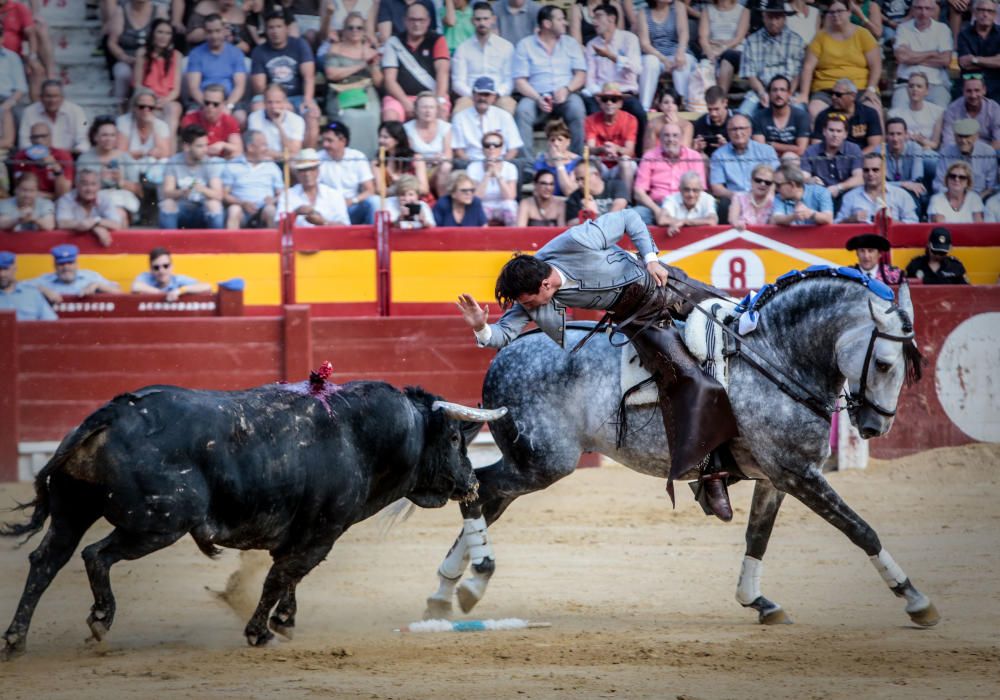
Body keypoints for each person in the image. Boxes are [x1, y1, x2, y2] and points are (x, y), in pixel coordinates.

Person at [455, 208, 740, 521]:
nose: (527, 310)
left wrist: (651, 258)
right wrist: (481, 327)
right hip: (642, 322)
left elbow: (630, 217)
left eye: (528, 302)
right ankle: (711, 474)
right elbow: (503, 334)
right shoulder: (534, 295)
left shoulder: (577, 240)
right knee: (685, 377)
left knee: (738, 319)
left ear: (546, 285)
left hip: (665, 283)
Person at [512, 5, 588, 159]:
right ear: (547, 24)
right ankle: (527, 166)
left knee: (577, 107)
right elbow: (520, 81)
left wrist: (567, 89)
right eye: (560, 19)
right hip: (535, 96)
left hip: (565, 95)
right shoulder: (525, 45)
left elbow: (581, 74)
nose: (565, 23)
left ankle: (576, 161)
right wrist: (537, 98)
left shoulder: (570, 43)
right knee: (522, 110)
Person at [796, 0, 881, 120]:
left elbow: (876, 66)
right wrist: (804, 94)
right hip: (827, 89)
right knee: (814, 109)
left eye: (840, 11)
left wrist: (871, 89)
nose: (835, 15)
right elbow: (808, 67)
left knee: (874, 109)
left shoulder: (863, 34)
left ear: (849, 12)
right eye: (832, 12)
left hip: (859, 88)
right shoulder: (820, 37)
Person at [250, 9, 318, 148]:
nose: (275, 31)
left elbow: (309, 77)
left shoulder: (300, 45)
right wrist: (279, 102)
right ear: (266, 30)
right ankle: (264, 152)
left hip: (298, 95)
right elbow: (260, 87)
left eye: (279, 27)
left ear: (287, 28)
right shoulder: (259, 51)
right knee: (257, 106)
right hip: (270, 98)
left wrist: (308, 99)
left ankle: (305, 159)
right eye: (271, 27)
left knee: (312, 115)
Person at [322, 10, 382, 159]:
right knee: (348, 117)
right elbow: (331, 74)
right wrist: (361, 65)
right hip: (341, 91)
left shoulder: (370, 51)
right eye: (351, 27)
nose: (355, 31)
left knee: (372, 116)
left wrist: (373, 65)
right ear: (344, 29)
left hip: (366, 91)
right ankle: (346, 159)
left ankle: (370, 160)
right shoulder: (335, 48)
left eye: (359, 27)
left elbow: (379, 82)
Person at [584, 3, 645, 147]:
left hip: (625, 93)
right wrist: (599, 96)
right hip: (601, 95)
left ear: (611, 19)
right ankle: (595, 158)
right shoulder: (591, 45)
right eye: (593, 18)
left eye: (598, 17)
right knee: (591, 111)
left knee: (639, 112)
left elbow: (637, 69)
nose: (594, 22)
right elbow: (590, 79)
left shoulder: (629, 39)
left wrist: (612, 56)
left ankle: (639, 156)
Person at [380, 3, 450, 122]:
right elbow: (389, 80)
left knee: (441, 116)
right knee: (390, 118)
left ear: (428, 21)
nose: (417, 24)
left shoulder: (438, 40)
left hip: (432, 95)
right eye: (412, 20)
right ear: (405, 21)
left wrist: (437, 101)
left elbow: (442, 74)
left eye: (421, 20)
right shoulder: (393, 42)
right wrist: (406, 103)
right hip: (401, 97)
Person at [737, 0, 805, 117]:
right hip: (761, 90)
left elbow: (797, 75)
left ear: (784, 18)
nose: (773, 22)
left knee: (801, 114)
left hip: (788, 92)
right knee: (742, 114)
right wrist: (762, 93)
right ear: (764, 17)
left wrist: (788, 93)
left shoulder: (796, 41)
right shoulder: (752, 41)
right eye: (770, 17)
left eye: (777, 18)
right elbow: (750, 74)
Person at [709, 113, 780, 218]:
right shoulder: (719, 155)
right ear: (728, 132)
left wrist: (768, 195)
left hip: (764, 195)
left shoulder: (766, 151)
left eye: (742, 128)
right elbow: (716, 187)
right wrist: (739, 197)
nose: (738, 133)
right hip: (734, 199)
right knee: (724, 205)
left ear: (750, 130)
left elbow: (777, 178)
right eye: (734, 129)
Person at [633, 121, 705, 225]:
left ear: (681, 138)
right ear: (660, 139)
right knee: (633, 216)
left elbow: (700, 189)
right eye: (666, 135)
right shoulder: (649, 156)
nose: (671, 139)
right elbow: (638, 192)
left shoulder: (694, 157)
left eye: (675, 136)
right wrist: (657, 210)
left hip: (684, 204)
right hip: (656, 205)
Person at [451, 2, 516, 115]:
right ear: (472, 21)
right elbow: (458, 82)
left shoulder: (506, 47)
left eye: (486, 19)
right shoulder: (462, 48)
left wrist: (496, 94)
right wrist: (474, 95)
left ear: (493, 19)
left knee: (507, 107)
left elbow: (510, 80)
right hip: (470, 96)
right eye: (478, 19)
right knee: (459, 111)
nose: (482, 23)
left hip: (498, 96)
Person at [76, 116, 143, 223]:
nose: (109, 139)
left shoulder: (125, 157)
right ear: (95, 137)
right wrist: (98, 180)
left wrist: (121, 182)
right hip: (92, 201)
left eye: (112, 135)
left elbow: (139, 190)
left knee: (120, 214)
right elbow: (79, 188)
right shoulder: (85, 158)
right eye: (104, 135)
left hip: (121, 200)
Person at [159, 124, 225, 230]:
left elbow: (218, 195)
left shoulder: (210, 163)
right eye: (200, 146)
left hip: (202, 210)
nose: (205, 150)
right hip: (181, 209)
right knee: (168, 204)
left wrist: (202, 189)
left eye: (206, 145)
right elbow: (166, 192)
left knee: (214, 205)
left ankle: (216, 244)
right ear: (187, 147)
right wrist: (182, 192)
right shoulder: (174, 162)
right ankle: (169, 244)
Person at [183, 13, 249, 118]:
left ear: (224, 30)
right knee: (190, 117)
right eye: (209, 32)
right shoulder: (196, 54)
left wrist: (228, 106)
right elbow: (194, 88)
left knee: (240, 118)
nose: (214, 36)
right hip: (203, 99)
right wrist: (208, 106)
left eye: (218, 31)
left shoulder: (236, 53)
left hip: (229, 99)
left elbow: (239, 86)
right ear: (204, 32)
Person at [890, 0, 952, 110]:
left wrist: (911, 56)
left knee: (941, 116)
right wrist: (931, 53)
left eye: (927, 8)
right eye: (919, 8)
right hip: (907, 83)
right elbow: (901, 57)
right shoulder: (903, 28)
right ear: (912, 10)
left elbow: (945, 60)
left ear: (933, 11)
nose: (923, 13)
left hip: (936, 84)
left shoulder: (943, 29)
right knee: (896, 116)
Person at [451, 76, 523, 165]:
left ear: (494, 97)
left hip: (500, 163)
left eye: (487, 95)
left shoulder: (504, 116)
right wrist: (474, 167)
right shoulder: (460, 117)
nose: (483, 98)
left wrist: (501, 165)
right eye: (480, 94)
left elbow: (513, 148)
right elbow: (458, 150)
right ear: (473, 95)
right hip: (470, 163)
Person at [636, 0, 694, 111]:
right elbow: (644, 44)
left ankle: (683, 106)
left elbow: (683, 33)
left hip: (677, 52)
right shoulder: (643, 13)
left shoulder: (678, 7)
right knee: (649, 62)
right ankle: (645, 108)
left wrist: (680, 52)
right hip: (655, 54)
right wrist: (663, 59)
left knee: (682, 63)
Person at [318, 121, 379, 225]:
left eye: (329, 141)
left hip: (351, 207)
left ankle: (374, 239)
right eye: (323, 140)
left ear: (343, 141)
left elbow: (370, 190)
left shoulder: (357, 157)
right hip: (327, 210)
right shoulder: (317, 158)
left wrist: (352, 201)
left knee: (375, 201)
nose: (325, 144)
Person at [107, 0, 166, 103]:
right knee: (122, 73)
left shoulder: (159, 11)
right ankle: (121, 107)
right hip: (128, 59)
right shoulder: (121, 11)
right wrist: (124, 57)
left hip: (152, 59)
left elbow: (166, 37)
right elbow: (112, 42)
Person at [222, 129, 282, 229]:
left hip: (264, 210)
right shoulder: (232, 165)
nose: (266, 149)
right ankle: (231, 244)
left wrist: (274, 200)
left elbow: (281, 193)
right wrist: (242, 203)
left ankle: (273, 244)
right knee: (234, 210)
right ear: (250, 147)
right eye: (263, 145)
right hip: (242, 210)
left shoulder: (272, 166)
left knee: (271, 210)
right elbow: (224, 195)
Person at [835, 153, 919, 224]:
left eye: (875, 170)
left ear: (884, 171)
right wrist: (850, 220)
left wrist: (892, 222)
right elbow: (836, 226)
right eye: (866, 170)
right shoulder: (850, 197)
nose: (870, 174)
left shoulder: (901, 195)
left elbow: (914, 226)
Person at [133, 18, 182, 137]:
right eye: (160, 32)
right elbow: (137, 84)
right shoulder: (142, 53)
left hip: (167, 98)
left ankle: (168, 147)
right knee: (146, 108)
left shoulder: (176, 55)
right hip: (146, 97)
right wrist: (151, 100)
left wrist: (164, 100)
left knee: (174, 108)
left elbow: (176, 89)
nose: (164, 36)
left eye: (168, 33)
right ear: (153, 34)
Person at [25, 243, 121, 304]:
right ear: (55, 265)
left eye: (70, 263)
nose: (66, 267)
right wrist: (42, 289)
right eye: (61, 264)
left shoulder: (90, 277)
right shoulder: (46, 280)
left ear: (76, 264)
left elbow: (120, 293)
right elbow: (18, 286)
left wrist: (99, 286)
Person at [802, 113, 863, 206]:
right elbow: (803, 177)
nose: (835, 134)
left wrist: (838, 187)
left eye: (839, 131)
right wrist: (810, 180)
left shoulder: (853, 149)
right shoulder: (811, 151)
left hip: (847, 194)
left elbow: (859, 178)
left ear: (845, 134)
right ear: (824, 131)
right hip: (819, 196)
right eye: (831, 130)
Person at [16, 80, 89, 155]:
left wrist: (64, 155)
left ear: (62, 97)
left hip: (69, 157)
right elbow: (24, 144)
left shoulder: (76, 111)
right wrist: (43, 156)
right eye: (48, 96)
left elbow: (84, 141)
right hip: (37, 158)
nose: (52, 100)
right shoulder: (29, 112)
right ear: (41, 97)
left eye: (56, 96)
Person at [116, 88, 174, 182]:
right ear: (134, 107)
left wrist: (152, 126)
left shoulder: (161, 125)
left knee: (164, 163)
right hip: (130, 165)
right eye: (141, 106)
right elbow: (121, 154)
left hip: (150, 166)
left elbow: (165, 154)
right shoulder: (123, 122)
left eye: (150, 107)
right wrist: (144, 153)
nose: (146, 110)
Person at [280, 147, 349, 226]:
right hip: (299, 237)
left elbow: (345, 227)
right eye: (303, 170)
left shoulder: (334, 195)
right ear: (297, 173)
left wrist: (323, 222)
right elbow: (279, 227)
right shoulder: (287, 195)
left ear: (318, 171)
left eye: (311, 169)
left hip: (328, 238)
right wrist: (295, 214)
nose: (307, 174)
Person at [811, 79, 883, 154]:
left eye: (838, 94)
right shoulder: (824, 115)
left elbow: (875, 145)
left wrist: (854, 160)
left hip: (862, 160)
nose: (833, 97)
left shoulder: (869, 113)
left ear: (853, 96)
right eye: (832, 93)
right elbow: (816, 145)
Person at [404, 92, 453, 198]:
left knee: (446, 166)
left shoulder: (445, 127)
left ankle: (442, 201)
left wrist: (442, 158)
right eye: (424, 107)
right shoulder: (407, 129)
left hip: (437, 169)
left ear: (436, 110)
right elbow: (408, 155)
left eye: (431, 107)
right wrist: (428, 160)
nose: (427, 111)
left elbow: (448, 155)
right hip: (415, 170)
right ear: (416, 110)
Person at [933, 119, 997, 198]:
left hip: (979, 199)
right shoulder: (946, 152)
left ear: (976, 136)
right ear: (955, 136)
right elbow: (938, 184)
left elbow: (991, 187)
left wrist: (973, 201)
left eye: (967, 136)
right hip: (951, 198)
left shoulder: (988, 153)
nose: (963, 140)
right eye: (960, 136)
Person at [11, 121, 73, 201]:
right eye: (35, 137)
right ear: (30, 139)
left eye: (43, 136)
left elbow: (64, 195)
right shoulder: (21, 156)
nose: (39, 140)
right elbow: (20, 191)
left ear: (50, 137)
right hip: (29, 201)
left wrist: (56, 167)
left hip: (57, 202)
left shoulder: (63, 156)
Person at [466, 131, 518, 225]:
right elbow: (475, 198)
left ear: (501, 148)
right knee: (474, 207)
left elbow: (510, 197)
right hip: (483, 206)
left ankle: (514, 237)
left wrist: (498, 174)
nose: (491, 148)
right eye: (487, 145)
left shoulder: (510, 168)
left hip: (502, 205)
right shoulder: (473, 167)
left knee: (510, 205)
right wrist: (488, 173)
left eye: (496, 144)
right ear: (482, 148)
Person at [751, 75, 810, 157]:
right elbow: (760, 150)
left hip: (793, 162)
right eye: (774, 90)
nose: (778, 94)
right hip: (767, 161)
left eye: (782, 90)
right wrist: (791, 148)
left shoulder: (801, 116)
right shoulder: (758, 117)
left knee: (789, 156)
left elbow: (801, 150)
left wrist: (771, 144)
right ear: (769, 94)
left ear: (789, 94)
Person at [180, 84, 243, 160]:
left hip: (221, 163)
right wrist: (210, 150)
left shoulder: (230, 120)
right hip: (197, 163)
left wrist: (223, 145)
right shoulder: (189, 119)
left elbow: (238, 149)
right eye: (207, 103)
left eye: (215, 104)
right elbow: (188, 149)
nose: (210, 107)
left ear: (223, 104)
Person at [698, 0, 749, 94]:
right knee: (705, 64)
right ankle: (703, 104)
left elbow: (738, 38)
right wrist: (710, 54)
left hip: (734, 51)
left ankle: (721, 99)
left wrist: (722, 48)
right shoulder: (707, 10)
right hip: (711, 51)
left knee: (727, 58)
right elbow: (703, 38)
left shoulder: (744, 11)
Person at [888, 72, 944, 157]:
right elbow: (890, 140)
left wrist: (920, 140)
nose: (915, 89)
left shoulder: (937, 112)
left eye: (919, 86)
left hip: (927, 154)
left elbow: (935, 144)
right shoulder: (894, 113)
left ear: (927, 91)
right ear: (907, 89)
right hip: (903, 154)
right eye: (911, 86)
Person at [246, 83, 305, 161]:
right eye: (270, 102)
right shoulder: (254, 117)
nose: (273, 106)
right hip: (266, 160)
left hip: (289, 162)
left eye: (278, 102)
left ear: (285, 102)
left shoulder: (297, 120)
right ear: (264, 102)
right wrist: (284, 156)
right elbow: (257, 149)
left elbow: (294, 151)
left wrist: (279, 126)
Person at [941, 75, 1000, 149]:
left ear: (984, 90)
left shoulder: (994, 109)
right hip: (960, 151)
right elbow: (948, 140)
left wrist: (980, 155)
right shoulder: (952, 109)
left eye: (977, 90)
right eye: (969, 91)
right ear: (963, 91)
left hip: (987, 152)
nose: (973, 95)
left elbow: (998, 140)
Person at [373, 120, 430, 197]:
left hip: (416, 200)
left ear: (397, 140)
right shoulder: (377, 162)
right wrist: (395, 189)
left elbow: (424, 188)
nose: (380, 140)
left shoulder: (415, 158)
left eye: (385, 137)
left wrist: (401, 183)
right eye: (380, 136)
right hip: (391, 201)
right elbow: (380, 190)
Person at [132, 247, 213, 301]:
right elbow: (135, 287)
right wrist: (163, 294)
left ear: (172, 267)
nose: (161, 271)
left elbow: (207, 286)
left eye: (165, 266)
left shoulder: (178, 279)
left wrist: (180, 290)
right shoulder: (146, 277)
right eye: (156, 267)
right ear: (151, 269)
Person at [957, 0, 1000, 99]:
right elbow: (964, 63)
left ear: (994, 15)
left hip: (997, 85)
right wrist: (993, 61)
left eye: (989, 11)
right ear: (974, 12)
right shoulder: (964, 34)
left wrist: (974, 60)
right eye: (981, 10)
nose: (985, 14)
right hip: (970, 83)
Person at [565, 157, 629, 222]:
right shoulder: (574, 198)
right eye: (577, 180)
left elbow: (617, 210)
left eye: (582, 179)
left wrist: (595, 214)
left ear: (596, 174)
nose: (579, 183)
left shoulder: (616, 186)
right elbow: (572, 224)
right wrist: (587, 216)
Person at [769, 162, 834, 225]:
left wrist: (811, 214)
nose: (776, 189)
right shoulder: (779, 197)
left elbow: (828, 218)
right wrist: (793, 216)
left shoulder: (821, 192)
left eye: (778, 185)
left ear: (792, 185)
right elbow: (776, 219)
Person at [883, 117, 927, 207]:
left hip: (909, 192)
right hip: (887, 192)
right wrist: (903, 184)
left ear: (906, 135)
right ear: (886, 136)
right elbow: (879, 183)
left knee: (920, 193)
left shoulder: (915, 148)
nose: (895, 138)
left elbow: (916, 182)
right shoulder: (879, 151)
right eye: (891, 134)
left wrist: (907, 186)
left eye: (899, 134)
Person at [0, 250, 56, 320]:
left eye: (6, 269)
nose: (2, 274)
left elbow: (51, 322)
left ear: (14, 268)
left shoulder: (32, 294)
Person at [533, 118, 582, 197]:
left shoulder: (577, 162)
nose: (556, 143)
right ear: (548, 142)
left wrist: (559, 164)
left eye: (560, 140)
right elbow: (537, 191)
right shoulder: (540, 160)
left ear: (568, 142)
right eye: (552, 140)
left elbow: (569, 192)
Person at [905, 227, 971, 284]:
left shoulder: (955, 267)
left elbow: (966, 291)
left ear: (949, 248)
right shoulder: (915, 265)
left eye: (942, 252)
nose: (938, 255)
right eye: (936, 251)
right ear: (929, 245)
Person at [643, 86, 693, 153]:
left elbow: (685, 151)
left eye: (674, 103)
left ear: (678, 106)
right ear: (660, 105)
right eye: (666, 102)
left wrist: (674, 126)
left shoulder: (687, 125)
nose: (670, 106)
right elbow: (647, 152)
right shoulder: (652, 124)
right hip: (657, 161)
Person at [728, 162, 775, 230]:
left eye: (767, 182)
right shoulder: (739, 197)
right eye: (758, 180)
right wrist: (737, 223)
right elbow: (732, 219)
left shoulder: (774, 202)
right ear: (751, 180)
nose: (762, 184)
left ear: (772, 185)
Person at [692, 87, 731, 158]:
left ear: (725, 103)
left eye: (716, 109)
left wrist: (727, 149)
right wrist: (697, 150)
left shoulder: (737, 121)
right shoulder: (700, 123)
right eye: (710, 109)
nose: (713, 114)